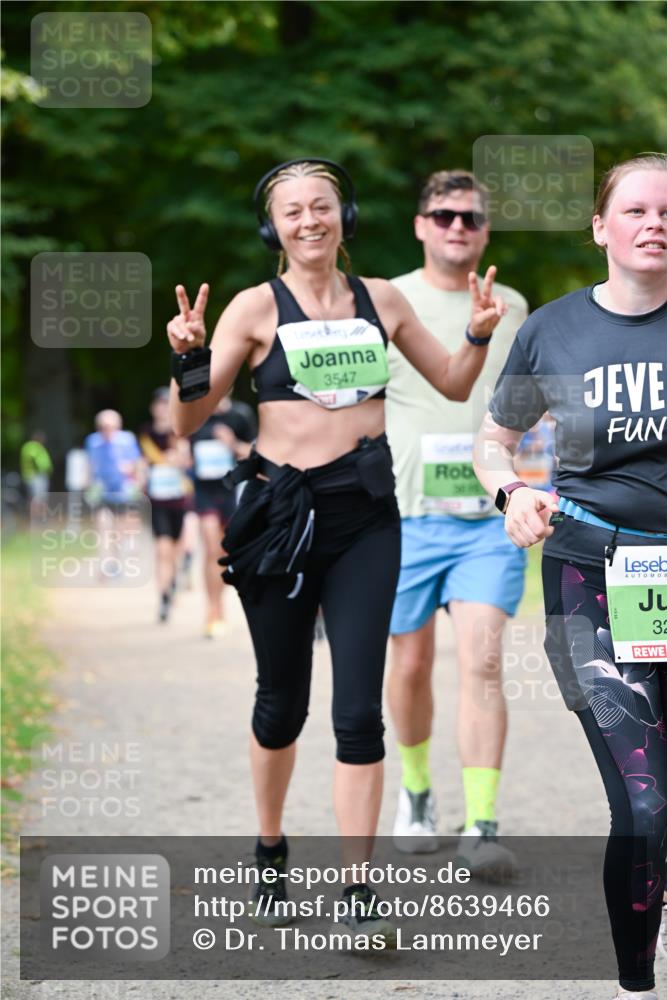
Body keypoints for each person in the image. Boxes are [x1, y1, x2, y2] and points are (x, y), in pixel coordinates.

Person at [166, 158, 508, 942]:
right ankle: (270, 844)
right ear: (272, 227)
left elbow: (455, 384)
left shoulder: (379, 300)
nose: (309, 220)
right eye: (292, 211)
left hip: (365, 520)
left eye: (321, 206)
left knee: (358, 713)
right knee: (281, 704)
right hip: (279, 520)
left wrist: (478, 336)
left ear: (342, 216)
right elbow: (189, 423)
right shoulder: (254, 308)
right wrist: (187, 359)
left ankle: (357, 889)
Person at [473, 153, 667, 1000]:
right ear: (599, 227)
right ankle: (636, 980)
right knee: (645, 804)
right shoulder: (553, 331)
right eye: (634, 210)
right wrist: (511, 493)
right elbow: (493, 442)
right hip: (591, 573)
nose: (653, 222)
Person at [384, 170, 529, 873]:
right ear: (420, 225)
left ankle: (482, 822)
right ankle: (414, 792)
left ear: (484, 231)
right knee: (408, 664)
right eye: (442, 216)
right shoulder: (388, 301)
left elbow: (532, 405)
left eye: (469, 218)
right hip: (403, 516)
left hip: (483, 516)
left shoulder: (513, 305)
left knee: (481, 658)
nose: (455, 227)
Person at [189, 393, 257, 637]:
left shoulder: (240, 415)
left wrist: (232, 443)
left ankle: (221, 605)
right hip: (205, 491)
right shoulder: (197, 415)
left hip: (232, 492)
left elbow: (256, 452)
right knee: (210, 548)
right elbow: (185, 451)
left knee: (225, 552)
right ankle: (212, 609)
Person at [139, 387, 193, 622]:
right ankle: (163, 598)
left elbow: (188, 461)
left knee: (178, 550)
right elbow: (140, 462)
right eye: (159, 404)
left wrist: (177, 457)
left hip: (180, 499)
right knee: (162, 549)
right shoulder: (146, 433)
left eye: (166, 404)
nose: (162, 408)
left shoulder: (180, 430)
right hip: (157, 500)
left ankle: (172, 581)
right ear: (153, 408)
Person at [84, 410, 143, 576]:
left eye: (110, 427)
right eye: (103, 427)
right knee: (104, 528)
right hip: (102, 491)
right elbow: (89, 464)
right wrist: (87, 486)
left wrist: (134, 477)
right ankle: (107, 564)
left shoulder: (126, 440)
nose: (106, 430)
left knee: (119, 531)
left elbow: (137, 463)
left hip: (123, 492)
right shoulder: (92, 441)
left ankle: (116, 561)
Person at [20, 430, 53, 510]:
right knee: (39, 498)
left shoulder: (27, 446)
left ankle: (36, 516)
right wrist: (44, 468)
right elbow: (35, 458)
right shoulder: (34, 446)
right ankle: (38, 517)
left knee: (33, 497)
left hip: (30, 476)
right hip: (37, 476)